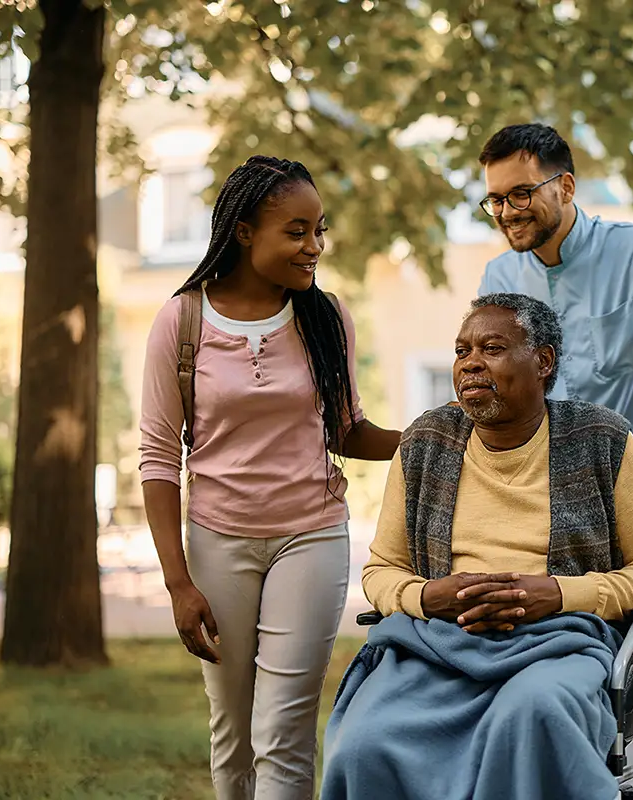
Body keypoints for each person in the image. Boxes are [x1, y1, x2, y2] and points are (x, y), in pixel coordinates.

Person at [320, 294, 633, 800]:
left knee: (531, 714)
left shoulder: (603, 440)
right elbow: (382, 571)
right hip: (437, 644)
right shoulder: (426, 444)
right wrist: (429, 598)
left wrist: (558, 593)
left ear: (543, 361)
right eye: (462, 350)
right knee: (362, 743)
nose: (470, 362)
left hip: (558, 644)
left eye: (492, 348)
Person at [139, 155, 400, 800]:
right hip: (216, 542)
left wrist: (430, 437)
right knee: (232, 730)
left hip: (309, 538)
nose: (314, 246)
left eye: (320, 230)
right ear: (245, 230)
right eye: (296, 231)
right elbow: (157, 458)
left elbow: (346, 431)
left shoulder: (324, 316)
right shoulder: (183, 321)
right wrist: (178, 584)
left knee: (282, 732)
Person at [475, 123, 633, 557]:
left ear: (565, 187)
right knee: (569, 622)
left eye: (521, 193)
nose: (507, 211)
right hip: (553, 501)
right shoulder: (498, 277)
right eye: (496, 199)